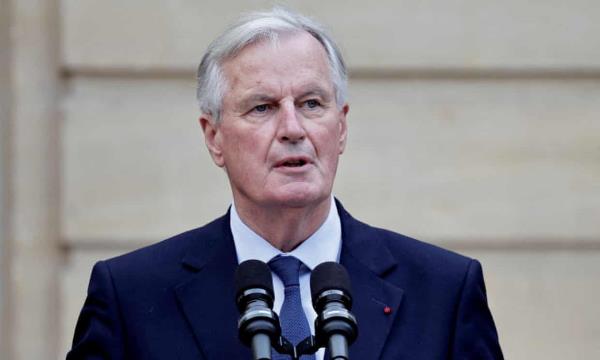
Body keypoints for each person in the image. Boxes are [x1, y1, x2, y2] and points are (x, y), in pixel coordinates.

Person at [67, 7, 503, 360]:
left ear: (342, 127)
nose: (293, 128)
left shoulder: (444, 292)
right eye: (262, 107)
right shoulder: (131, 297)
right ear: (214, 137)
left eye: (312, 103)